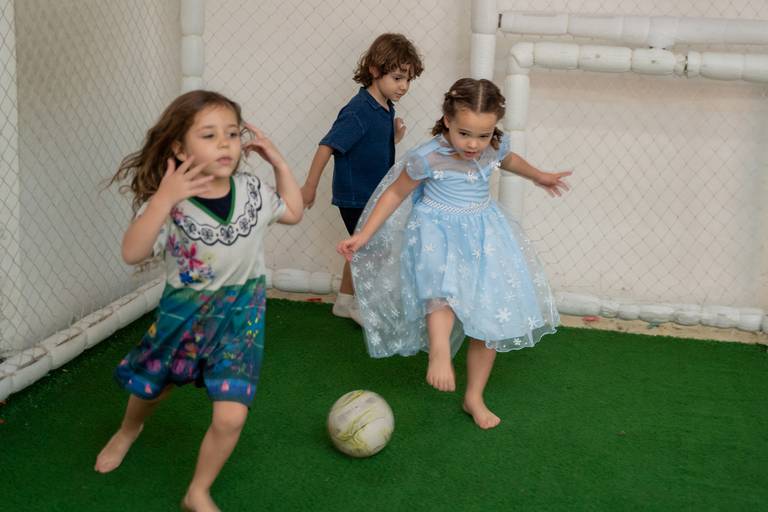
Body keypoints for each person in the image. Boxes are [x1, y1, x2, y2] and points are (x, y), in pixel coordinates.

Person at [95, 90, 302, 511]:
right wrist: (163, 198)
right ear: (179, 147)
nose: (225, 143)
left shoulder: (252, 191)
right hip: (184, 320)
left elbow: (294, 212)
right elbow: (132, 252)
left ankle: (198, 491)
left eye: (232, 133)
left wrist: (279, 162)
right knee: (152, 390)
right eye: (209, 135)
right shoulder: (171, 206)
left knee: (231, 416)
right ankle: (129, 430)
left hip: (240, 324)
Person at [337, 78, 571, 430]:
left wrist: (540, 176)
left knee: (488, 317)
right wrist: (363, 234)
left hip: (483, 234)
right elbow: (395, 194)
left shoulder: (493, 146)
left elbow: (509, 159)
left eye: (483, 135)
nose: (473, 144)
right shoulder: (428, 157)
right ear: (447, 120)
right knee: (441, 294)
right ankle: (440, 351)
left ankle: (474, 396)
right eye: (464, 134)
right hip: (437, 234)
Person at [301, 33, 424, 325]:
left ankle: (344, 302)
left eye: (408, 79)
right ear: (374, 70)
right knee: (372, 250)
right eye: (397, 78)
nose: (404, 86)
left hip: (372, 193)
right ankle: (361, 305)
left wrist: (394, 137)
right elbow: (327, 145)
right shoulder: (358, 110)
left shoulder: (384, 107)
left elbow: (370, 145)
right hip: (356, 195)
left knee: (361, 247)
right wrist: (309, 186)